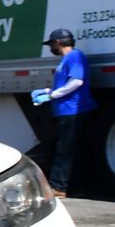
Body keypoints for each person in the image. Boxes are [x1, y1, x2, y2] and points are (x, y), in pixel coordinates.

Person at [33, 28, 97, 197]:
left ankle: (59, 186)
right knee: (66, 148)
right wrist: (48, 91)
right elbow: (68, 83)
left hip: (74, 110)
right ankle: (73, 186)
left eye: (51, 44)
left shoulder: (75, 56)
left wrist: (53, 94)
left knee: (65, 150)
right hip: (66, 111)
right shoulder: (67, 59)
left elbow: (76, 81)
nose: (50, 48)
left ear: (58, 42)